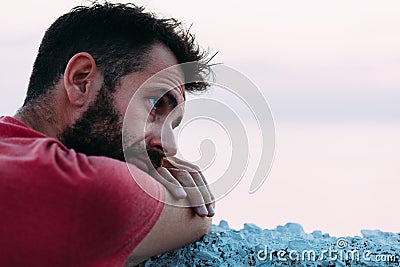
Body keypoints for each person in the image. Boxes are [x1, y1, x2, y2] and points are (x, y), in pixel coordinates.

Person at [0, 2, 215, 266]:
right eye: (155, 104)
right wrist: (192, 201)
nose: (169, 146)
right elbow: (195, 217)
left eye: (173, 124)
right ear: (82, 81)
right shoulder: (76, 187)